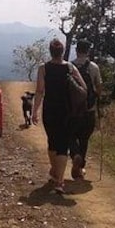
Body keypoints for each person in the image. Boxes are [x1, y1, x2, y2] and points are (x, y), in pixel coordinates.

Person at [32, 38, 86, 194]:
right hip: (67, 111)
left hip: (50, 110)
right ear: (62, 52)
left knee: (52, 143)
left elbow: (40, 91)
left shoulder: (43, 68)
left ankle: (56, 173)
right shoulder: (70, 67)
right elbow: (83, 87)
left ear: (50, 51)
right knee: (62, 145)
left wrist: (35, 111)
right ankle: (59, 181)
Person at [69, 39, 103, 180]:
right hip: (89, 110)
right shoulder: (94, 67)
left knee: (70, 135)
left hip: (73, 110)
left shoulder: (70, 66)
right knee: (84, 139)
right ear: (88, 51)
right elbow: (99, 87)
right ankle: (81, 167)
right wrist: (96, 95)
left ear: (76, 50)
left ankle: (75, 154)